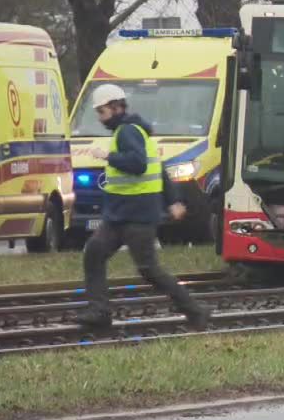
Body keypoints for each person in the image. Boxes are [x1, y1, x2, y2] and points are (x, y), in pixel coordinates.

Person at [77, 84, 211, 332]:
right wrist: (173, 201)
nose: (100, 118)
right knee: (94, 253)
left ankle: (196, 310)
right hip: (119, 215)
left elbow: (138, 164)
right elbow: (158, 168)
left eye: (102, 111)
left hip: (137, 216)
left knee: (149, 270)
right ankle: (99, 312)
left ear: (116, 108)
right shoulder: (132, 131)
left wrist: (107, 156)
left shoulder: (128, 132)